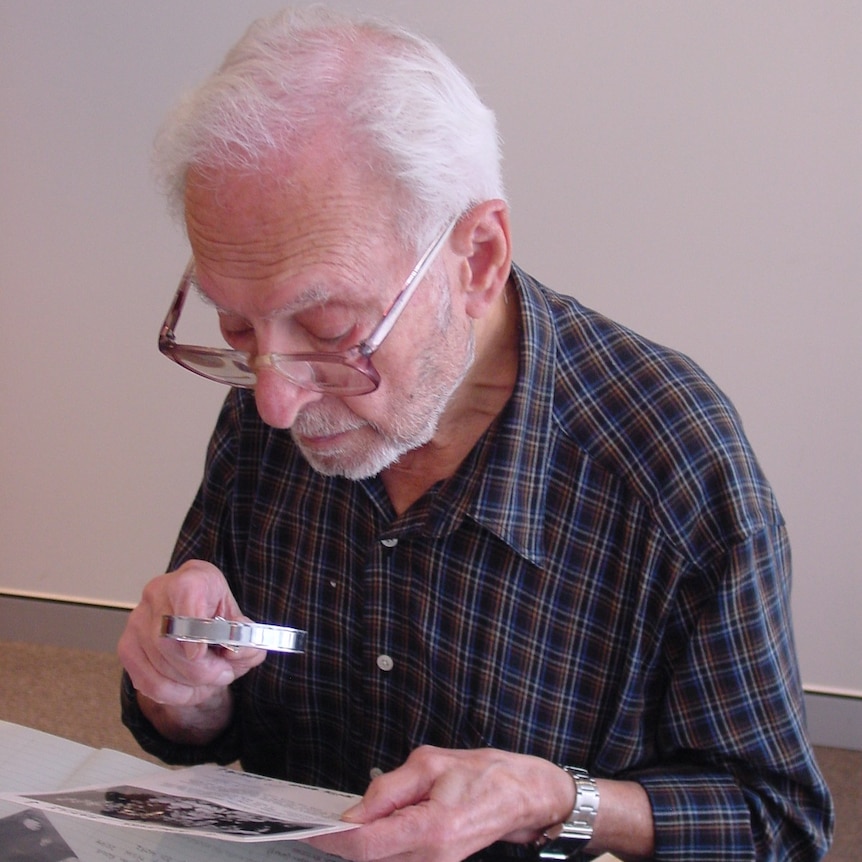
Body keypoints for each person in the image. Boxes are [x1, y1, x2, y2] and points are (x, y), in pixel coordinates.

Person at [118, 7, 833, 861]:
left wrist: (558, 799)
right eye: (236, 327)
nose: (274, 400)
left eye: (331, 324)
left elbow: (779, 823)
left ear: (478, 258)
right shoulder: (280, 393)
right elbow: (195, 733)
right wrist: (184, 687)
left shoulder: (671, 465)